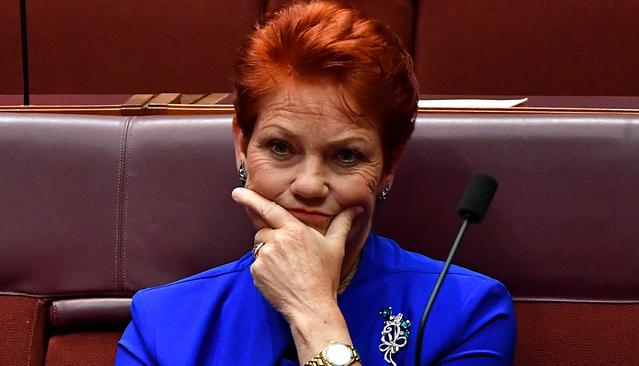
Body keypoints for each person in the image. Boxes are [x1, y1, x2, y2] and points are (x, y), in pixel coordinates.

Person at [116, 1, 515, 365]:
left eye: (346, 156)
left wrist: (313, 312)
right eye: (280, 147)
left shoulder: (466, 312)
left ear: (389, 166)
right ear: (242, 146)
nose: (309, 185)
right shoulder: (162, 323)